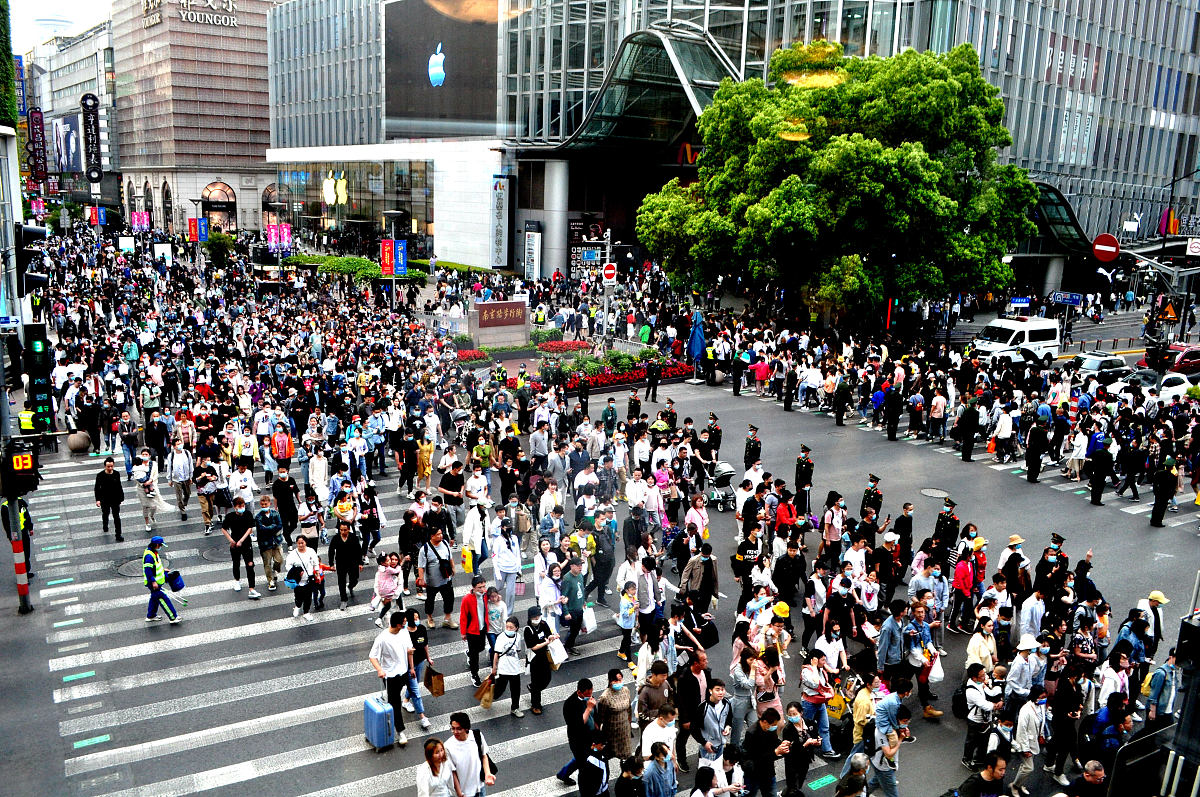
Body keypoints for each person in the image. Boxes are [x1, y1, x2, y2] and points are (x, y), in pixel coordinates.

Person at [367, 610, 412, 747]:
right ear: (398, 624)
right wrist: (380, 670)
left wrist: (412, 668)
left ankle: (408, 704)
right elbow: (372, 656)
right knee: (394, 703)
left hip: (404, 672)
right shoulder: (382, 638)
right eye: (404, 622)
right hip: (391, 676)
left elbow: (409, 649)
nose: (406, 624)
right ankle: (400, 731)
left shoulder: (404, 632)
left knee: (412, 692)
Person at [557, 678, 598, 786]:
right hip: (578, 740)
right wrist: (588, 708)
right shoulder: (570, 704)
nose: (590, 695)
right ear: (579, 692)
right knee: (583, 763)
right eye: (587, 693)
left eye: (591, 692)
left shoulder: (590, 697)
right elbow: (578, 725)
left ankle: (563, 773)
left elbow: (595, 716)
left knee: (583, 758)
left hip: (591, 736)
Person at [445, 713, 496, 797]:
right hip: (464, 793)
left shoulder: (477, 735)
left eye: (459, 729)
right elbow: (452, 772)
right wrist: (459, 794)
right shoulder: (448, 746)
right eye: (453, 728)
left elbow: (484, 755)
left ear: (466, 728)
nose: (455, 732)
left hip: (480, 787)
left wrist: (487, 774)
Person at [867, 704, 911, 797]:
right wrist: (900, 740)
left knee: (876, 781)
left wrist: (904, 734)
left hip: (880, 763)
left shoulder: (891, 725)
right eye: (904, 721)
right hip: (884, 766)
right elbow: (889, 754)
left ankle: (861, 795)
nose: (906, 724)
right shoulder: (882, 731)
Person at [742, 708, 788, 797]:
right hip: (754, 773)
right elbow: (755, 757)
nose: (775, 727)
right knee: (750, 794)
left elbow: (774, 740)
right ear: (765, 722)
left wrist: (782, 744)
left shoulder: (770, 729)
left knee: (771, 794)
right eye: (773, 725)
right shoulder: (752, 733)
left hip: (768, 771)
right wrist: (775, 752)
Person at [221, 496, 261, 599]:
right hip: (235, 544)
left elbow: (250, 528)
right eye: (240, 506)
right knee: (236, 562)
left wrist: (241, 540)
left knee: (250, 564)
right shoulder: (230, 516)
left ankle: (251, 588)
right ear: (235, 507)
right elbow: (224, 529)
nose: (242, 508)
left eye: (243, 506)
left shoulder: (247, 514)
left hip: (246, 543)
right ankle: (237, 581)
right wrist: (231, 540)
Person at [1010, 684, 1047, 794]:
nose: (1043, 699)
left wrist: (1041, 735)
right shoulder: (1025, 710)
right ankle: (1015, 786)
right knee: (1028, 768)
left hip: (1035, 741)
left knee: (1025, 767)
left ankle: (1020, 783)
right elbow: (1022, 731)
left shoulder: (1041, 706)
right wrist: (1025, 749)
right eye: (1041, 697)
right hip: (1026, 744)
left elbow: (1042, 721)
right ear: (1035, 696)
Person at [418, 526, 457, 628]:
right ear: (432, 536)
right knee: (430, 601)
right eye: (438, 534)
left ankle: (447, 619)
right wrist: (421, 579)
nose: (441, 536)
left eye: (441, 533)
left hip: (446, 578)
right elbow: (421, 566)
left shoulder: (445, 543)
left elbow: (450, 557)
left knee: (449, 599)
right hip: (432, 582)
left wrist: (453, 568)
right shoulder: (424, 549)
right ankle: (429, 618)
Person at [488, 615, 525, 716]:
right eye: (507, 627)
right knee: (499, 689)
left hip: (515, 668)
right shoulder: (501, 637)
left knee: (516, 690)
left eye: (511, 627)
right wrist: (494, 668)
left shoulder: (518, 637)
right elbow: (496, 653)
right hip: (504, 669)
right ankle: (489, 695)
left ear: (516, 628)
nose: (508, 629)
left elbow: (518, 650)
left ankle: (515, 708)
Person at [597, 668, 635, 761]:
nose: (619, 682)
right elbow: (601, 717)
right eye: (616, 680)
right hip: (612, 731)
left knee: (627, 756)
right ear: (610, 681)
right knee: (610, 754)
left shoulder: (625, 690)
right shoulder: (605, 697)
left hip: (625, 729)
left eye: (620, 679)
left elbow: (629, 709)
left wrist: (629, 723)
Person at [524, 605, 557, 715]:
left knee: (547, 678)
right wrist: (546, 642)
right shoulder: (528, 630)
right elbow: (533, 647)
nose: (537, 618)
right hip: (534, 659)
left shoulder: (543, 624)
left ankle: (533, 688)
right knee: (537, 682)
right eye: (535, 617)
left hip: (544, 656)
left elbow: (549, 635)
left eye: (538, 616)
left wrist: (552, 637)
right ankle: (535, 705)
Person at [459, 575, 490, 687]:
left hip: (482, 628)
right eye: (479, 587)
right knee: (475, 655)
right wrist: (463, 632)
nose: (482, 589)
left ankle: (469, 653)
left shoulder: (485, 596)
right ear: (473, 587)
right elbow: (463, 617)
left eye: (483, 586)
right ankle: (474, 674)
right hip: (472, 631)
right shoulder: (467, 599)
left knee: (481, 648)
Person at [142, 535, 179, 623]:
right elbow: (148, 571)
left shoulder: (153, 552)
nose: (161, 547)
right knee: (163, 599)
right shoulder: (149, 556)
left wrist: (162, 570)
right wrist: (153, 582)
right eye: (161, 545)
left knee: (154, 598)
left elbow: (154, 567)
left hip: (156, 581)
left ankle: (151, 616)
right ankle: (173, 617)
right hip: (154, 583)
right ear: (157, 545)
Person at [328, 520, 364, 609]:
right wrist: (331, 564)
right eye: (341, 530)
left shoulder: (353, 537)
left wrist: (360, 563)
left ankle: (351, 586)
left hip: (353, 563)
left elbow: (358, 550)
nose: (343, 532)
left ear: (348, 529)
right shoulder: (336, 538)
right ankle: (343, 600)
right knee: (341, 581)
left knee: (354, 579)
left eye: (345, 530)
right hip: (341, 563)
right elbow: (331, 551)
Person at [283, 535, 320, 620]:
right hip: (298, 580)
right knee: (298, 595)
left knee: (308, 597)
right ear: (296, 543)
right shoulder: (293, 554)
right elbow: (288, 566)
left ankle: (306, 612)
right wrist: (295, 572)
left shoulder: (311, 551)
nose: (300, 545)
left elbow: (315, 563)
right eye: (299, 543)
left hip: (309, 578)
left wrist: (317, 573)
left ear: (305, 543)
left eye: (302, 543)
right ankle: (297, 606)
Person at [255, 495, 285, 592]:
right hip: (265, 544)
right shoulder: (258, 517)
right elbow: (261, 529)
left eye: (266, 504)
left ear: (269, 504)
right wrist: (273, 526)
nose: (264, 506)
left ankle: (275, 571)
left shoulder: (275, 513)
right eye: (262, 504)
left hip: (276, 541)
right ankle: (270, 581)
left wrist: (269, 527)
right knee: (267, 563)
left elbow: (280, 525)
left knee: (279, 560)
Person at [94, 456, 125, 541]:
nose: (110, 468)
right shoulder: (100, 475)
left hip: (115, 499)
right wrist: (98, 500)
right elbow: (97, 488)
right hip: (104, 499)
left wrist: (121, 497)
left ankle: (118, 534)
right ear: (105, 466)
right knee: (105, 513)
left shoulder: (116, 474)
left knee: (116, 517)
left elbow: (119, 486)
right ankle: (105, 525)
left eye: (111, 466)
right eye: (108, 466)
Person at [578, 730, 611, 797]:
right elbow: (583, 783)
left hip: (604, 790)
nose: (603, 747)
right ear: (594, 744)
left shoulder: (602, 754)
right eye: (601, 745)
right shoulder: (587, 762)